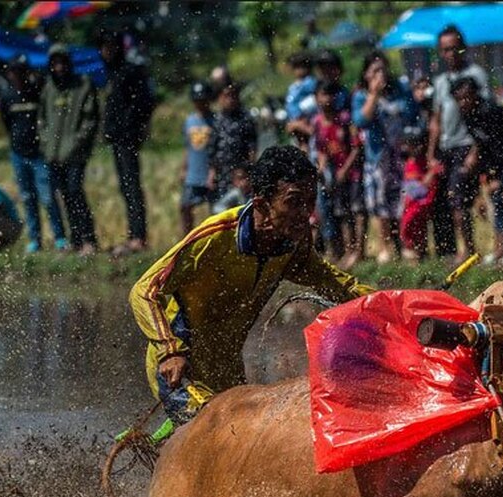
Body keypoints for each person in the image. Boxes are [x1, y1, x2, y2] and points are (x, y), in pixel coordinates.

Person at [129, 146, 372, 426]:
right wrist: (169, 349)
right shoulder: (215, 237)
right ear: (262, 206)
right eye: (294, 202)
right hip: (180, 370)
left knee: (247, 443)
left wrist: (391, 306)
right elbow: (145, 290)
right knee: (219, 436)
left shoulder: (291, 245)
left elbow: (338, 285)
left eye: (310, 201)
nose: (305, 213)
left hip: (227, 370)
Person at [452, 76, 503, 264]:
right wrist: (490, 177)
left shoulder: (490, 111)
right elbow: (484, 146)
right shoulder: (467, 114)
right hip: (500, 160)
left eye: (466, 97)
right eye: (459, 99)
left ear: (475, 95)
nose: (463, 102)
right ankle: (500, 250)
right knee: (498, 198)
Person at [429, 25, 490, 266]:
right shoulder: (441, 81)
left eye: (455, 48)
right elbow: (436, 118)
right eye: (445, 49)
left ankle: (470, 250)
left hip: (467, 144)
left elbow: (485, 115)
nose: (451, 54)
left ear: (463, 48)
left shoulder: (476, 74)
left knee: (461, 199)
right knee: (447, 201)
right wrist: (431, 152)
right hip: (446, 146)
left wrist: (477, 150)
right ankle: (456, 248)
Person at [353, 51, 417, 264]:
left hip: (400, 155)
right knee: (380, 203)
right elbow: (361, 120)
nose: (381, 74)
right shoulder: (362, 95)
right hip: (377, 157)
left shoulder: (400, 91)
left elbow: (411, 114)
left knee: (400, 200)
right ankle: (386, 245)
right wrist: (373, 94)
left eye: (383, 69)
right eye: (375, 71)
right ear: (366, 74)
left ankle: (404, 244)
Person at [0, 53, 66, 253]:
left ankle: (60, 237)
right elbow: (6, 123)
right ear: (10, 74)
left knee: (47, 197)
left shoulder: (38, 92)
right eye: (14, 72)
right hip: (18, 154)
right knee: (28, 198)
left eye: (21, 71)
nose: (18, 75)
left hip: (39, 154)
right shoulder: (7, 97)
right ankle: (34, 239)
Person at [38, 44, 100, 255]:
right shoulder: (49, 88)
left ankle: (89, 240)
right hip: (53, 154)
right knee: (63, 196)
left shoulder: (82, 85)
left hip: (75, 153)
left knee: (76, 193)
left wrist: (75, 144)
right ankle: (74, 240)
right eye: (55, 63)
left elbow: (90, 120)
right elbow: (42, 120)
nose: (59, 67)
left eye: (62, 62)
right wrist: (46, 144)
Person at [99, 30, 156, 255]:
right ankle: (133, 234)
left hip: (127, 138)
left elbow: (145, 102)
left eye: (109, 47)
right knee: (125, 186)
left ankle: (138, 237)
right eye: (103, 48)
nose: (106, 52)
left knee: (132, 186)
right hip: (117, 138)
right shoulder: (111, 73)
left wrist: (131, 127)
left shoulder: (130, 71)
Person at [311, 80, 361, 267]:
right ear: (316, 98)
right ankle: (336, 251)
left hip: (350, 173)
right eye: (323, 94)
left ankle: (353, 251)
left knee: (350, 212)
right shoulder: (317, 122)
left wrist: (345, 170)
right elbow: (321, 149)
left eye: (330, 94)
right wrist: (322, 169)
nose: (327, 99)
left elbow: (356, 147)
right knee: (332, 212)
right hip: (331, 174)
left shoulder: (345, 119)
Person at [179, 80, 217, 234]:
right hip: (193, 174)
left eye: (203, 100)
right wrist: (183, 168)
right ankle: (185, 239)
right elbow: (188, 147)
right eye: (197, 100)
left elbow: (218, 149)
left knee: (214, 211)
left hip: (209, 173)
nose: (200, 103)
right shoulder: (189, 121)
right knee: (185, 206)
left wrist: (214, 171)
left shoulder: (216, 120)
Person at [210, 81, 257, 199]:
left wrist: (249, 172)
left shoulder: (245, 118)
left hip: (241, 172)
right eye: (226, 96)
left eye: (233, 95)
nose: (230, 99)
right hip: (222, 173)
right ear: (220, 98)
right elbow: (212, 147)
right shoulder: (217, 120)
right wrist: (212, 172)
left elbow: (252, 146)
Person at [399, 127, 439, 262]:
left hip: (421, 203)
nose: (412, 148)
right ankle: (412, 253)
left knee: (417, 227)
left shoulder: (426, 163)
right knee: (406, 227)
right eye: (409, 144)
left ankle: (419, 253)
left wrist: (431, 173)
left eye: (414, 144)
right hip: (409, 203)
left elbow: (431, 180)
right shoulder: (408, 162)